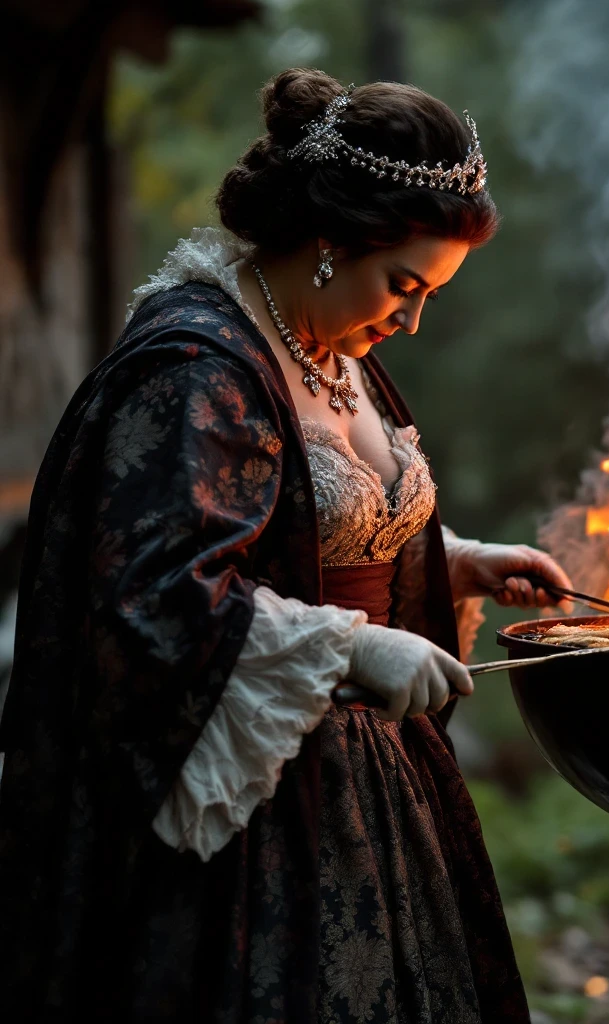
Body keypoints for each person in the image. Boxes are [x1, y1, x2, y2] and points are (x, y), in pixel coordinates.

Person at [0, 67, 574, 1022]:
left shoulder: (334, 352)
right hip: (256, 814)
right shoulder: (194, 369)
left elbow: (311, 521)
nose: (411, 317)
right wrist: (351, 645)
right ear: (326, 243)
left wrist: (449, 561)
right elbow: (159, 597)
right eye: (403, 283)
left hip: (378, 786)